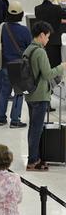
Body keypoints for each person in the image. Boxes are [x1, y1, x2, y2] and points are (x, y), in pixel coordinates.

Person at [24, 21, 66, 171]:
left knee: (33, 128)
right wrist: (61, 67)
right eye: (47, 37)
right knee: (37, 130)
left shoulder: (28, 49)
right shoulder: (40, 52)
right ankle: (33, 161)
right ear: (41, 35)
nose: (48, 40)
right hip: (40, 95)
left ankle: (34, 157)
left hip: (30, 94)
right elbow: (48, 74)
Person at [0, 1, 30, 128]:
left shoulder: (4, 27)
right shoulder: (25, 31)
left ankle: (1, 118)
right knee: (19, 93)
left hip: (5, 66)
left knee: (3, 93)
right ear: (21, 14)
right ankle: (15, 120)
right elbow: (29, 49)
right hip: (19, 67)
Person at [34, 0, 66, 67]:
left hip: (42, 40)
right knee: (54, 67)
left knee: (43, 65)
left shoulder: (37, 9)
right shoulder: (57, 8)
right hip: (54, 41)